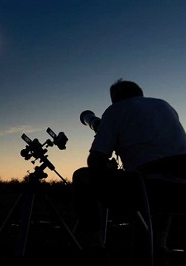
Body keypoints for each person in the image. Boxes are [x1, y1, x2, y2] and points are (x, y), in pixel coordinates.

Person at [72, 79, 186, 265]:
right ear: (140, 94)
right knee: (167, 177)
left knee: (82, 176)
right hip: (180, 192)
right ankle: (159, 245)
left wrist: (106, 166)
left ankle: (94, 249)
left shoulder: (116, 110)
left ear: (115, 99)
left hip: (146, 192)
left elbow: (95, 161)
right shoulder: (165, 106)